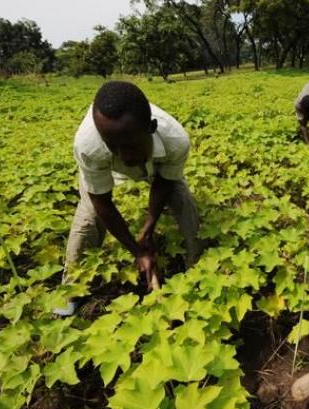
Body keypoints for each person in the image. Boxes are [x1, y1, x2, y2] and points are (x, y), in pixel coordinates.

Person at [55, 81, 201, 316]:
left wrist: (149, 224)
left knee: (183, 200)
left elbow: (164, 181)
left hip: (156, 161)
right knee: (89, 216)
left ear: (151, 127)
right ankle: (71, 290)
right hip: (103, 164)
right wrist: (138, 251)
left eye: (131, 145)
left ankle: (198, 266)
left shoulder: (175, 140)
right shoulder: (89, 146)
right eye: (114, 147)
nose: (124, 156)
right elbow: (102, 202)